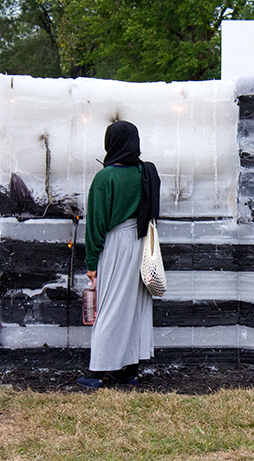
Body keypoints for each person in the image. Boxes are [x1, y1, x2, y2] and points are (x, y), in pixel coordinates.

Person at [77, 120, 161, 389]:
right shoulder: (145, 171)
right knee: (135, 307)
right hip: (141, 242)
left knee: (109, 305)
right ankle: (129, 369)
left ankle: (97, 371)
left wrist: (92, 261)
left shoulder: (106, 178)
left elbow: (96, 224)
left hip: (116, 244)